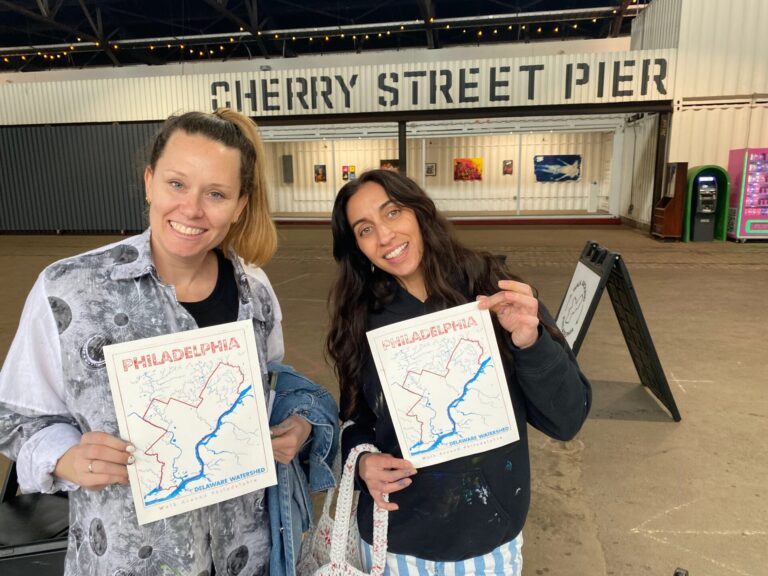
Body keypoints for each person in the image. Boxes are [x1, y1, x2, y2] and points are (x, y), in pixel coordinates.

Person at [0, 109, 331, 576]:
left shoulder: (254, 291)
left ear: (239, 205)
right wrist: (66, 457)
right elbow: (14, 418)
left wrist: (293, 424)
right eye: (177, 184)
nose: (192, 209)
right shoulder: (69, 290)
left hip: (244, 556)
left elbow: (271, 387)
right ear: (149, 182)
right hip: (128, 561)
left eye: (216, 194)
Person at [326, 169, 592, 575]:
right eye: (365, 229)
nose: (385, 236)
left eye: (393, 212)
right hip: (394, 543)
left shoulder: (493, 288)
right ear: (356, 247)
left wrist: (531, 342)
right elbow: (355, 418)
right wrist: (362, 463)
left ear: (419, 212)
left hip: (488, 542)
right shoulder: (360, 317)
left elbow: (566, 420)